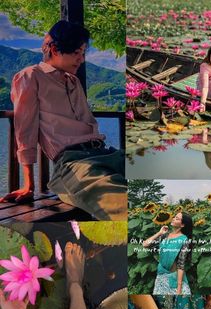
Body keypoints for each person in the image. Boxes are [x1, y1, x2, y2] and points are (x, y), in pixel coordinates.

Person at [0, 20, 127, 221]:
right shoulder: (30, 76)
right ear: (54, 49)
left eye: (83, 53)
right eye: (76, 52)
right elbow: (25, 130)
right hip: (74, 165)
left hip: (105, 153)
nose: (82, 59)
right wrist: (28, 185)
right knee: (123, 204)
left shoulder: (73, 81)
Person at [143, 212, 192, 294]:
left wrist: (179, 289)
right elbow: (145, 244)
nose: (173, 219)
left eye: (177, 218)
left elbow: (181, 264)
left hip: (174, 278)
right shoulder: (165, 236)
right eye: (174, 217)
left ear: (182, 225)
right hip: (161, 276)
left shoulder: (184, 240)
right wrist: (159, 233)